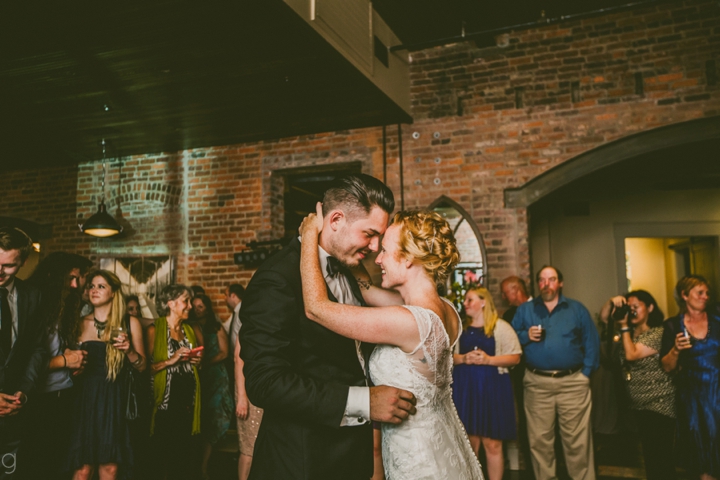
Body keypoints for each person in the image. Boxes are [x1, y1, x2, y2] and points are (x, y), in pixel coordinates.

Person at [239, 174, 419, 480]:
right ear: (335, 220)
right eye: (369, 234)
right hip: (301, 461)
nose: (375, 248)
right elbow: (264, 382)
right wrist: (364, 401)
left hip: (352, 456)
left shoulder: (351, 270)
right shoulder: (277, 278)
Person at [299, 204, 484, 479]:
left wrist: (309, 237)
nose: (378, 259)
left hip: (419, 461)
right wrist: (349, 253)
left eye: (385, 250)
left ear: (408, 259)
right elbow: (366, 289)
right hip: (442, 445)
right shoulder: (445, 310)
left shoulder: (408, 322)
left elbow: (316, 308)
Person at [511, 265, 600, 480]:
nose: (546, 284)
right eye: (541, 280)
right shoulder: (526, 310)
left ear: (560, 283)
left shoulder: (576, 309)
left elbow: (592, 343)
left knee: (577, 442)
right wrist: (524, 335)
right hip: (537, 383)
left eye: (551, 279)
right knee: (540, 442)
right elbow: (509, 338)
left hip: (573, 382)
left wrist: (585, 374)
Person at [66, 270, 147, 480]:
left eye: (101, 286)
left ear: (113, 293)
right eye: (91, 286)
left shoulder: (130, 323)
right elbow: (69, 365)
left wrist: (129, 351)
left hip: (114, 399)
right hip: (84, 399)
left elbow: (142, 367)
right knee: (83, 469)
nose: (94, 290)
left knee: (110, 468)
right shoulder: (79, 323)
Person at [21, 252, 92, 479]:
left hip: (63, 393)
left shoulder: (65, 308)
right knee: (37, 465)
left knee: (57, 463)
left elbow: (57, 349)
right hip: (38, 398)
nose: (77, 285)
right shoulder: (34, 304)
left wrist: (75, 359)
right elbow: (21, 363)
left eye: (78, 279)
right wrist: (64, 360)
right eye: (73, 278)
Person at [600, 290, 676, 480]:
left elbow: (631, 355)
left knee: (662, 459)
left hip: (659, 405)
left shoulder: (659, 333)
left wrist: (624, 327)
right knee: (650, 459)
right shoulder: (629, 335)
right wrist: (612, 302)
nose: (632, 311)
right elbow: (604, 318)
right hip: (640, 406)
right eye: (629, 307)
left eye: (636, 306)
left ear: (650, 308)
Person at [453, 287, 521, 480]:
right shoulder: (459, 328)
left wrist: (489, 360)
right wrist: (464, 358)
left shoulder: (501, 327)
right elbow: (446, 357)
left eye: (470, 300)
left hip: (493, 388)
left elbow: (515, 357)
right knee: (469, 443)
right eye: (465, 300)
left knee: (493, 444)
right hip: (465, 389)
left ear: (483, 302)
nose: (465, 304)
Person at [661, 275, 720, 479]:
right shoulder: (672, 326)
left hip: (718, 391)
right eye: (699, 292)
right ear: (685, 295)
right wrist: (676, 350)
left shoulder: (717, 319)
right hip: (693, 399)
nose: (705, 297)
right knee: (702, 451)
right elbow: (667, 367)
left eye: (707, 293)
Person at [0, 227, 45, 480]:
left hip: (15, 414)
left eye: (8, 266)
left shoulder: (32, 295)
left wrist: (24, 392)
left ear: (23, 262)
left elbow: (36, 348)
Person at [147, 284, 203, 480]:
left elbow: (194, 367)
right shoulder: (155, 329)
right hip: (164, 407)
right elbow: (145, 369)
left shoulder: (189, 330)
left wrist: (197, 362)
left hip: (187, 405)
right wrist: (171, 361)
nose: (190, 305)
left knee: (182, 460)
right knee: (160, 459)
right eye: (185, 301)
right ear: (171, 303)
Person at [192, 294, 234, 480]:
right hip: (197, 378)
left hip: (215, 376)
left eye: (200, 306)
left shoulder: (215, 327)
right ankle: (199, 464)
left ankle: (204, 465)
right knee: (200, 419)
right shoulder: (190, 328)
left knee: (216, 417)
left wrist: (204, 363)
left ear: (207, 308)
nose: (197, 309)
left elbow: (225, 353)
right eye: (194, 306)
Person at [228, 284, 263, 480]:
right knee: (248, 448)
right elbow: (238, 359)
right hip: (248, 392)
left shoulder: (270, 322)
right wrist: (241, 397)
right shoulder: (248, 325)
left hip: (264, 391)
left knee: (261, 446)